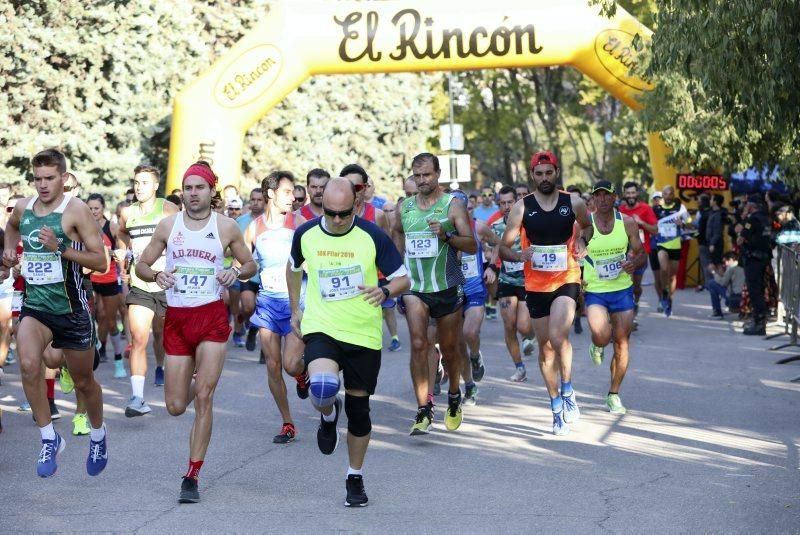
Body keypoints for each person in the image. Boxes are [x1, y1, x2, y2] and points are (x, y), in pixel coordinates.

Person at [134, 161, 256, 503]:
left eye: (199, 187)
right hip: (177, 319)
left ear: (210, 191)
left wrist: (237, 273)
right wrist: (156, 276)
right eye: (188, 188)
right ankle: (193, 381)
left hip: (212, 319)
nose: (193, 193)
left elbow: (250, 264)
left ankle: (192, 474)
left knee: (204, 396)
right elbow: (141, 265)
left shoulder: (227, 226)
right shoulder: (168, 225)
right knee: (174, 405)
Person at [287, 177, 410, 507]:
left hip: (363, 334)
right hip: (322, 327)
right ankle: (327, 414)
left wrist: (385, 290)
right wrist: (294, 309)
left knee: (359, 413)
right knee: (323, 387)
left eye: (343, 213)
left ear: (356, 205)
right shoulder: (306, 234)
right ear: (322, 205)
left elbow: (403, 278)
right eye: (330, 213)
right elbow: (293, 267)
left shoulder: (372, 236)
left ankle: (354, 475)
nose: (337, 220)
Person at [1, 149, 109, 477]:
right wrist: (8, 249)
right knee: (29, 363)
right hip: (37, 307)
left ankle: (98, 435)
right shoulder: (24, 208)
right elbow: (12, 226)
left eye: (50, 178)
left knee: (84, 382)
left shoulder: (75, 210)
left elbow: (100, 261)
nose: (43, 185)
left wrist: (60, 249)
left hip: (72, 309)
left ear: (63, 178)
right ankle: (49, 436)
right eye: (38, 179)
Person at [500, 150, 592, 436]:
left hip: (566, 277)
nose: (544, 178)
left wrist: (582, 242)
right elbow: (503, 247)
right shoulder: (521, 207)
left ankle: (567, 389)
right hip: (536, 284)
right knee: (546, 348)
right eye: (538, 174)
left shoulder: (572, 202)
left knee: (557, 336)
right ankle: (555, 406)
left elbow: (587, 227)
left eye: (548, 173)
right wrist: (520, 256)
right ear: (532, 176)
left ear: (556, 172)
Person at [394, 153, 476, 435]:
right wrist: (398, 267)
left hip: (447, 286)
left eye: (427, 175)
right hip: (416, 288)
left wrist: (446, 236)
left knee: (451, 351)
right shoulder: (404, 207)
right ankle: (423, 408)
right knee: (419, 344)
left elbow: (472, 246)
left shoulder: (452, 206)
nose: (422, 181)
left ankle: (454, 394)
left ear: (438, 174)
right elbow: (396, 232)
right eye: (417, 176)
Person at [243, 171, 307, 443]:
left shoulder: (300, 223)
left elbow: (315, 263)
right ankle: (287, 423)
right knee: (273, 366)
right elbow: (243, 264)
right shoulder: (254, 228)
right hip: (268, 303)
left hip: (296, 304)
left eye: (293, 192)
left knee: (291, 365)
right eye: (286, 192)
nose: (292, 197)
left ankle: (302, 375)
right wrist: (232, 275)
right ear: (270, 194)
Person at [117, 165, 179, 416]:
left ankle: (169, 371)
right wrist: (124, 252)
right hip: (140, 283)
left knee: (165, 336)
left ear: (155, 185)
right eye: (136, 182)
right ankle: (137, 398)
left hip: (167, 283)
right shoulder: (126, 212)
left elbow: (183, 235)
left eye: (144, 182)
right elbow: (121, 234)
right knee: (139, 337)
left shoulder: (167, 209)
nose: (139, 187)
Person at [582, 181, 646, 414]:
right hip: (596, 290)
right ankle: (597, 345)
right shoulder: (585, 224)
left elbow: (641, 254)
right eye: (598, 195)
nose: (603, 199)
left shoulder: (627, 222)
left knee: (621, 342)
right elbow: (574, 250)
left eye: (606, 195)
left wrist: (633, 263)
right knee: (601, 334)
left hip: (621, 289)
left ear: (614, 197)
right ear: (593, 200)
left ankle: (614, 394)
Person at [339, 165, 400, 352]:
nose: (354, 192)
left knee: (383, 311)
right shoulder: (334, 215)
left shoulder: (378, 215)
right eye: (349, 186)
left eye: (358, 187)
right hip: (343, 281)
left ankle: (394, 337)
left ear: (365, 188)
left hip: (374, 277)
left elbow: (387, 247)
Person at [490, 186, 534, 381]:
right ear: (498, 204)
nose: (507, 206)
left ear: (517, 201)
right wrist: (491, 267)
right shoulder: (497, 226)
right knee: (509, 325)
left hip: (527, 280)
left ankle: (529, 335)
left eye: (510, 202)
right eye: (502, 203)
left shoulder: (529, 224)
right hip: (506, 279)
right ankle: (519, 367)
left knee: (523, 325)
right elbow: (496, 249)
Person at [86, 194, 126, 377]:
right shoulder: (83, 226)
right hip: (90, 278)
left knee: (110, 321)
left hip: (109, 278)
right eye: (91, 208)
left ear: (103, 209)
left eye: (97, 208)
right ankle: (96, 348)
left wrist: (111, 252)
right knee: (92, 317)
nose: (94, 211)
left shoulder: (112, 227)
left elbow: (123, 249)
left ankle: (118, 360)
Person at [618, 182, 658, 324]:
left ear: (637, 194)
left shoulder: (646, 209)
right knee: (625, 286)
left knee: (635, 287)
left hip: (641, 254)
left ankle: (635, 303)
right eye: (628, 193)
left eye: (633, 193)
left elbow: (655, 230)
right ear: (624, 194)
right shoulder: (620, 211)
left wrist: (641, 222)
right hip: (624, 255)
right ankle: (629, 316)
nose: (630, 196)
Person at [231, 188, 265, 349]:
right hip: (247, 271)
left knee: (263, 307)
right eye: (253, 199)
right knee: (247, 306)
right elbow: (233, 244)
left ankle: (253, 328)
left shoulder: (269, 222)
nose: (256, 203)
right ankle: (249, 321)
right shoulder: (241, 221)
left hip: (267, 273)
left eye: (259, 199)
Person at [738, 194, 772, 335]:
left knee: (755, 292)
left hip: (753, 259)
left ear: (751, 206)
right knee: (760, 290)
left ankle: (759, 324)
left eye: (747, 205)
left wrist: (744, 219)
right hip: (764, 258)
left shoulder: (751, 220)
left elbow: (740, 240)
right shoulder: (766, 219)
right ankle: (759, 321)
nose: (745, 207)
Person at [652, 185, 687, 317]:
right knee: (663, 269)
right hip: (661, 244)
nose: (667, 196)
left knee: (672, 276)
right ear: (663, 195)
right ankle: (662, 295)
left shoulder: (680, 208)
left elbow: (690, 223)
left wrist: (682, 224)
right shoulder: (656, 209)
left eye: (670, 194)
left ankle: (669, 299)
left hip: (676, 245)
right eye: (665, 194)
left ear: (673, 195)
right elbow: (651, 223)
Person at [706, 251, 744, 318]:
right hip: (744, 297)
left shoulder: (731, 268)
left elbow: (723, 282)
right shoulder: (742, 267)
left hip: (734, 299)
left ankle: (717, 310)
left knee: (711, 283)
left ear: (731, 260)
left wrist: (713, 272)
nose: (725, 264)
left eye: (725, 261)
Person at [705, 194, 727, 266]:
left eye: (711, 199)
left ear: (715, 202)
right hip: (711, 242)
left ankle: (721, 277)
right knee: (713, 265)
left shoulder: (718, 215)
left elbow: (717, 231)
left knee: (716, 265)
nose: (710, 201)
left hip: (716, 244)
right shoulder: (711, 213)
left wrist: (712, 243)